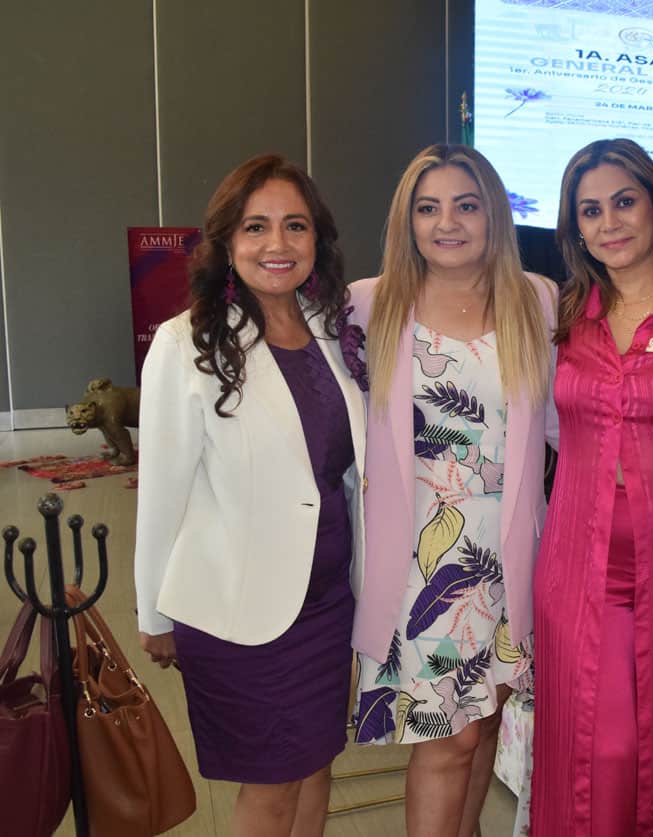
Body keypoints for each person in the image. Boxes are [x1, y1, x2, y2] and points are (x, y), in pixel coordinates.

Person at [135, 153, 364, 837]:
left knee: (317, 766)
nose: (276, 243)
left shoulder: (331, 330)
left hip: (329, 601)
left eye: (296, 225)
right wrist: (154, 612)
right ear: (227, 242)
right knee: (271, 786)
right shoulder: (186, 343)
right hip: (241, 610)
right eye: (255, 226)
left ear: (317, 239)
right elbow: (162, 491)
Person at [341, 143, 556, 837]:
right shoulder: (368, 305)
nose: (447, 223)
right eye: (427, 208)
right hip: (421, 569)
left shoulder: (536, 301)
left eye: (466, 205)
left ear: (494, 214)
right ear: (406, 221)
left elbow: (562, 423)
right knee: (446, 739)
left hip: (508, 561)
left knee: (485, 720)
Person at [531, 137, 653, 837]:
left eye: (624, 202)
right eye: (590, 211)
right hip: (576, 564)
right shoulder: (562, 313)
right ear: (575, 227)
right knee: (595, 749)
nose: (609, 223)